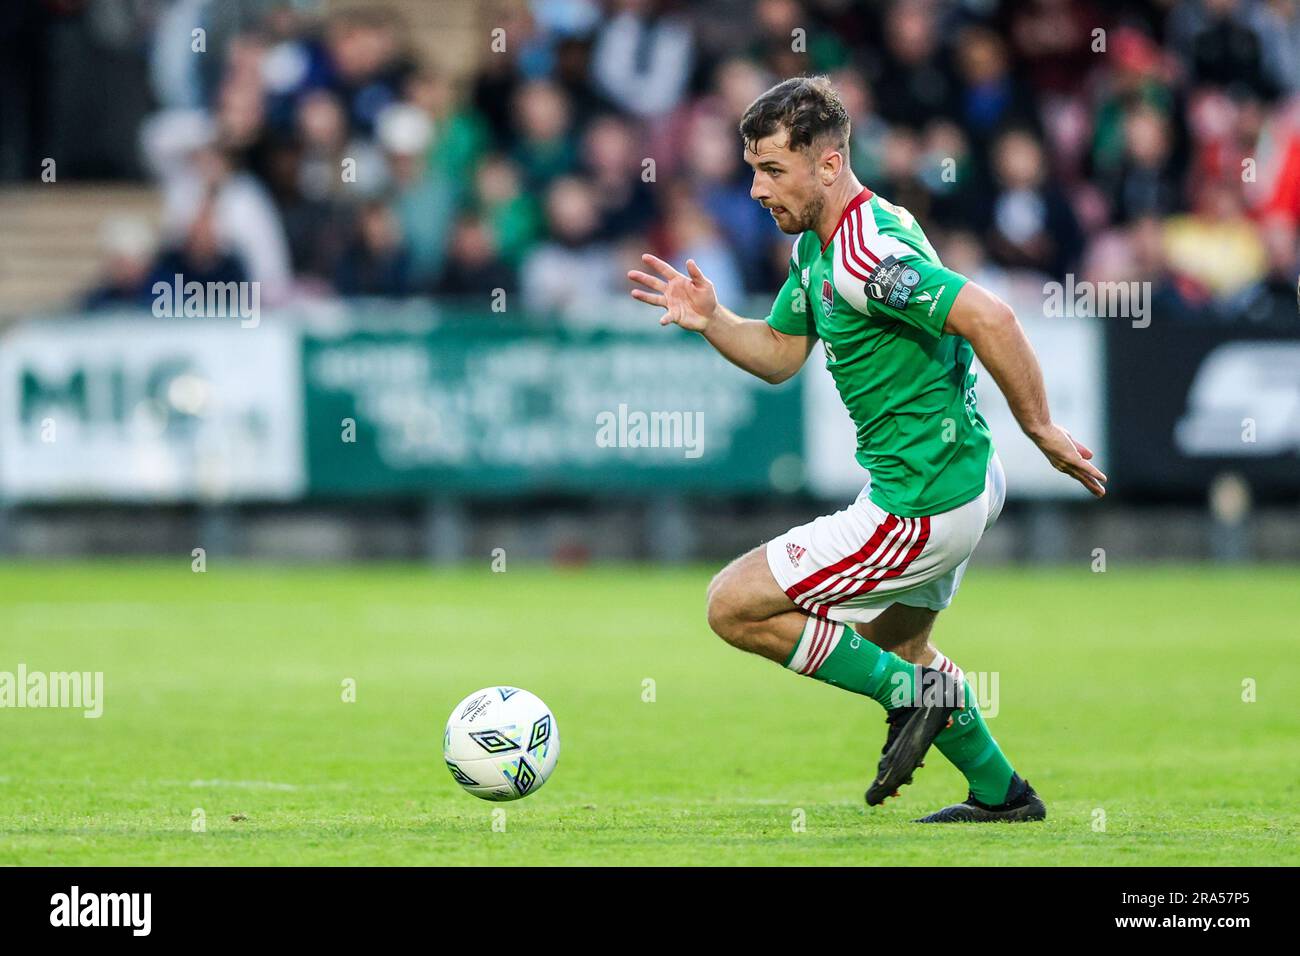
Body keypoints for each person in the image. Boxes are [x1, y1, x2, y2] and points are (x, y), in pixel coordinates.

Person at [628, 76, 1107, 822]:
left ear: (828, 164)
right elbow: (781, 353)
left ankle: (915, 699)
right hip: (961, 480)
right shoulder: (825, 244)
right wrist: (715, 319)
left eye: (772, 170)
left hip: (921, 503)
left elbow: (990, 316)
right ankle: (1001, 795)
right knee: (898, 649)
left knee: (733, 606)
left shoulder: (863, 257)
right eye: (753, 169)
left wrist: (1041, 428)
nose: (756, 190)